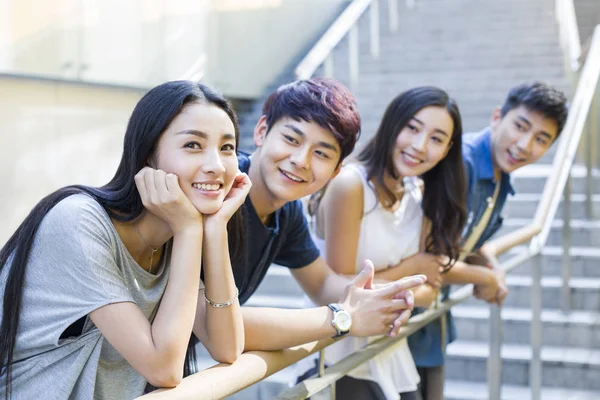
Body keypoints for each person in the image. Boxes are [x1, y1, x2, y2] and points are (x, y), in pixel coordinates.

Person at [0, 81, 250, 399]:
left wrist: (213, 230)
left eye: (227, 148)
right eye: (193, 146)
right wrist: (190, 230)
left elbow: (226, 347)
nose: (216, 166)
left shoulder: (177, 235)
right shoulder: (79, 221)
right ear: (148, 157)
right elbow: (164, 368)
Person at [296, 86, 467, 400]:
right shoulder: (351, 184)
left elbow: (431, 291)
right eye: (412, 128)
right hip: (337, 352)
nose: (419, 146)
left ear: (447, 149)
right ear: (393, 124)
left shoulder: (420, 193)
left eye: (436, 138)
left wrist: (402, 282)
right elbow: (341, 289)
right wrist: (410, 268)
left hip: (387, 350)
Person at [234, 78, 427, 353]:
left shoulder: (287, 211)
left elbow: (322, 282)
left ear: (336, 171)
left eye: (321, 153)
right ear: (262, 131)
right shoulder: (218, 189)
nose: (301, 160)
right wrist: (342, 318)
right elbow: (214, 324)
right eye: (291, 139)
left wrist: (385, 298)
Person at [408, 81, 569, 400]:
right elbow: (424, 256)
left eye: (541, 139)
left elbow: (466, 239)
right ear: (498, 117)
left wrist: (488, 264)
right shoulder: (461, 163)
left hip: (427, 321)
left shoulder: (497, 176)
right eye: (520, 127)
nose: (524, 145)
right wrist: (486, 276)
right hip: (400, 315)